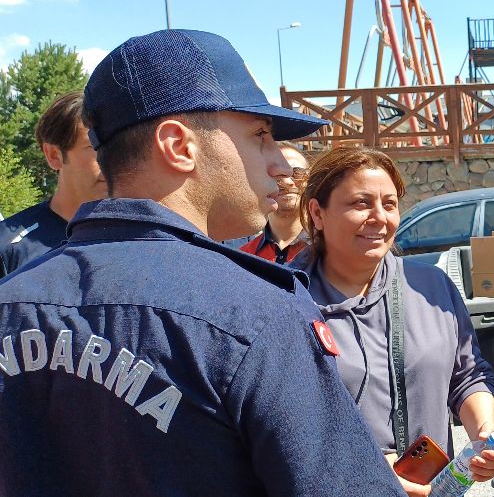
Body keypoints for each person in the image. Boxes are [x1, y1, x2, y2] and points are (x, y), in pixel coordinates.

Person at [0, 29, 405, 497]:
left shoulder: (13, 300)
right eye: (260, 136)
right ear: (178, 144)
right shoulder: (256, 313)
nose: (281, 164)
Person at [292, 146, 494, 497]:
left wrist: (484, 433)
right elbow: (278, 420)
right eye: (360, 203)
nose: (379, 217)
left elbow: (468, 375)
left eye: (390, 204)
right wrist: (364, 468)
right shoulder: (285, 300)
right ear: (317, 213)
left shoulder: (432, 286)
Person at [0, 90, 107, 278]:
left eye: (116, 146)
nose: (112, 160)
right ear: (54, 156)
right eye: (94, 147)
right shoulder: (9, 247)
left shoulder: (144, 238)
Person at [240, 141, 310, 264]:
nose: (288, 182)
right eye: (277, 175)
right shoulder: (244, 258)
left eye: (297, 173)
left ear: (309, 181)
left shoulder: (333, 251)